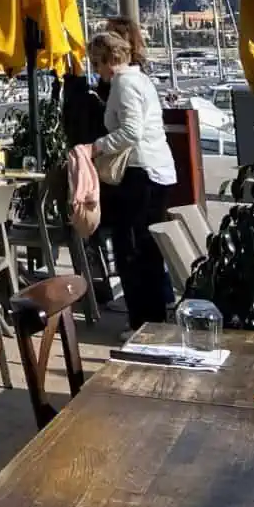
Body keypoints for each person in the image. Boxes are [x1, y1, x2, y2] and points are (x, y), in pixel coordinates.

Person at [89, 29, 177, 331]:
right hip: (158, 170)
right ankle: (152, 319)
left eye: (96, 64)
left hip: (141, 173)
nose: (95, 71)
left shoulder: (124, 84)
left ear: (107, 59)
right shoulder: (139, 79)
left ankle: (142, 322)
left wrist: (96, 147)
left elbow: (131, 132)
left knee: (131, 251)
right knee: (147, 250)